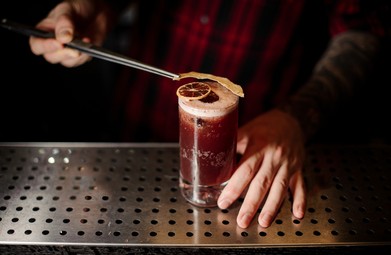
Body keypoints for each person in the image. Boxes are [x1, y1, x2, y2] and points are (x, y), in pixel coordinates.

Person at [28, 0, 389, 228]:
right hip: (130, 138)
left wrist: (297, 116)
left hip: (252, 151)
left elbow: (363, 30)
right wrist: (95, 8)